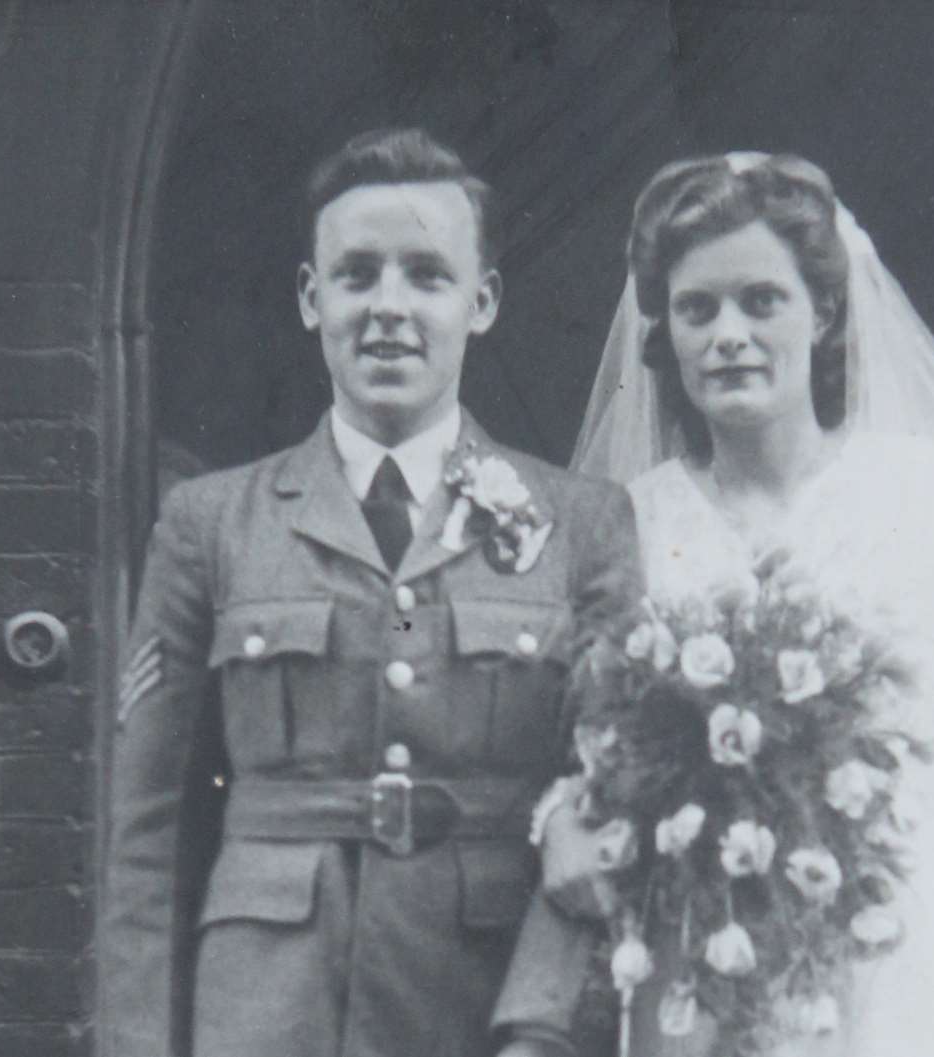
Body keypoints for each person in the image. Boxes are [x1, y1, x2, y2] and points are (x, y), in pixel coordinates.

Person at [498, 152, 934, 1056]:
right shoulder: (631, 516)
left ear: (821, 312)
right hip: (708, 948)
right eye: (697, 309)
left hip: (909, 942)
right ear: (665, 332)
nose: (728, 334)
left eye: (760, 300)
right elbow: (589, 750)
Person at [101, 127, 641, 1057]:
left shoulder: (586, 523)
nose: (388, 307)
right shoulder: (211, 523)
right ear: (313, 300)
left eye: (427, 276)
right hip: (267, 1011)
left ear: (483, 302)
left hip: (487, 1009)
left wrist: (547, 1028)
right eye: (356, 275)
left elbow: (607, 800)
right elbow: (149, 833)